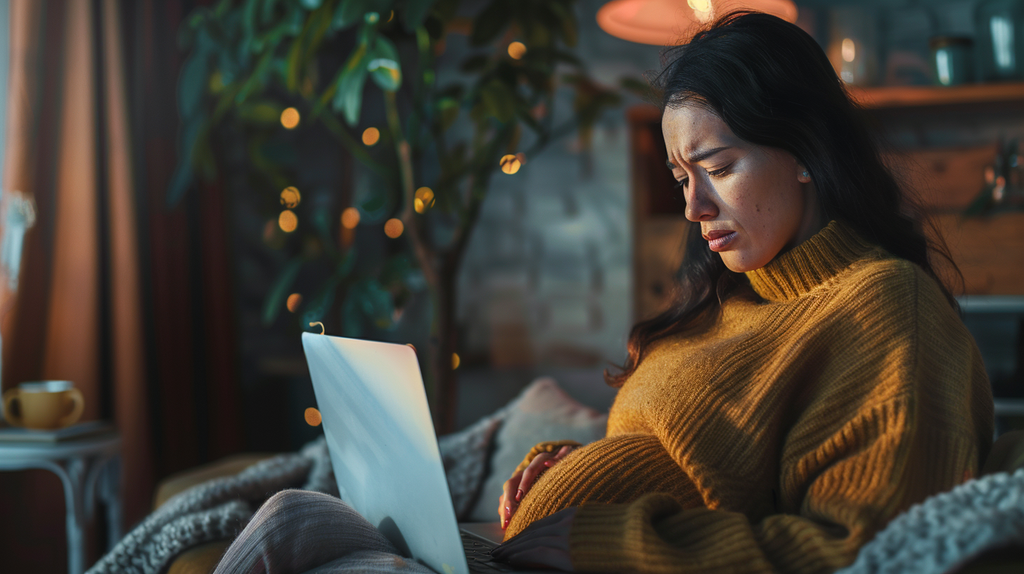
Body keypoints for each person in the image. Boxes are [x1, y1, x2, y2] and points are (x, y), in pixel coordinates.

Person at [489, 11, 994, 573]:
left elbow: (862, 549)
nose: (693, 208)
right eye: (682, 178)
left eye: (719, 168)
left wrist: (612, 541)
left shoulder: (887, 308)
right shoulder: (725, 296)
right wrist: (569, 468)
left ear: (805, 151)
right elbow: (673, 461)